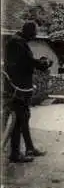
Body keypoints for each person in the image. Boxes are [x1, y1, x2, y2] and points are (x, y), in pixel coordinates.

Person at [3, 21, 51, 163]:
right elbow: (26, 63)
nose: (35, 35)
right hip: (17, 88)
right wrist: (43, 64)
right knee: (19, 120)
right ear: (28, 32)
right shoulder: (17, 43)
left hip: (19, 87)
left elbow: (26, 62)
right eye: (34, 33)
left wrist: (39, 63)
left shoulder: (17, 42)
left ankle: (29, 148)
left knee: (24, 117)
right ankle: (15, 154)